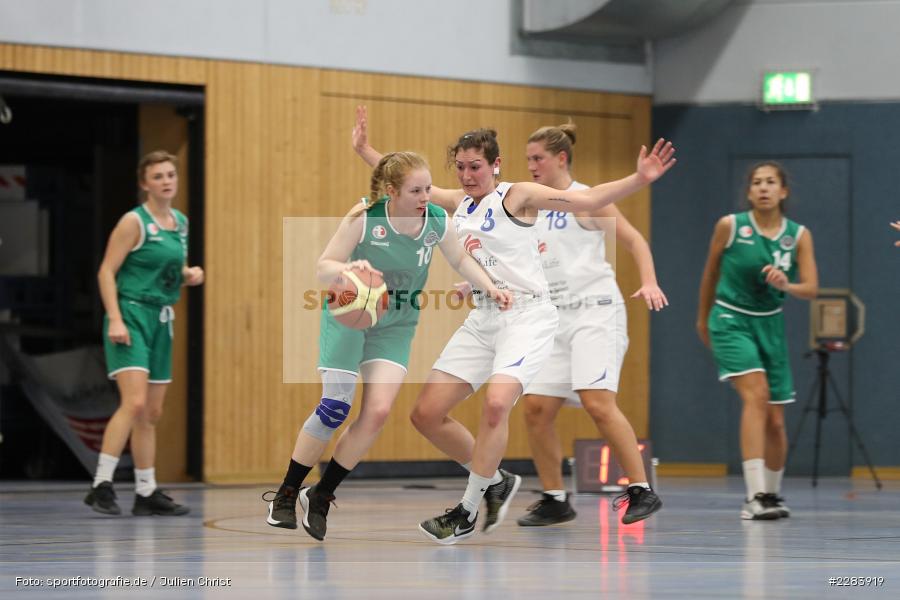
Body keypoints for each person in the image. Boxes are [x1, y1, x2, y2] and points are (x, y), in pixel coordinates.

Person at [353, 107, 676, 544]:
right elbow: (409, 182)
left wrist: (640, 178)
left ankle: (466, 511)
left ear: (495, 165)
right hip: (485, 316)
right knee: (425, 415)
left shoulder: (518, 195)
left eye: (476, 166)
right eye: (462, 167)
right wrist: (365, 150)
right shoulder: (458, 202)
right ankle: (498, 480)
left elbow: (588, 200)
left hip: (529, 316)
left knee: (497, 403)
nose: (467, 175)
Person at [263, 151, 512, 541]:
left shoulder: (436, 222)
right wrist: (350, 270)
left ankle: (322, 494)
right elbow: (324, 265)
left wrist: (491, 286)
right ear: (392, 191)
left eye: (429, 187)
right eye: (416, 190)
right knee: (335, 407)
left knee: (377, 413)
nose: (426, 196)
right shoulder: (364, 218)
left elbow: (461, 259)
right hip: (350, 314)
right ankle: (287, 492)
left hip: (395, 324)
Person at [514, 123, 667, 527]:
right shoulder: (531, 205)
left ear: (561, 159)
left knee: (597, 402)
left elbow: (635, 241)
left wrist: (649, 281)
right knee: (535, 408)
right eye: (528, 159)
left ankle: (641, 489)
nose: (531, 166)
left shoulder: (586, 200)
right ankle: (554, 498)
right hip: (554, 317)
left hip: (595, 312)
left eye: (538, 158)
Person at [85, 150, 204, 516]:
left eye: (171, 174)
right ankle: (101, 484)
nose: (166, 181)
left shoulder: (180, 223)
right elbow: (106, 271)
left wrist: (187, 275)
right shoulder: (133, 222)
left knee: (151, 413)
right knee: (133, 403)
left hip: (162, 318)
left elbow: (167, 267)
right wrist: (116, 318)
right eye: (158, 176)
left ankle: (146, 491)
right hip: (131, 314)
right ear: (144, 183)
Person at [697, 162, 818, 520]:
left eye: (771, 182)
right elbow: (710, 273)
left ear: (783, 191)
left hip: (770, 325)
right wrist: (702, 319)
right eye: (756, 182)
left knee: (776, 421)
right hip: (731, 318)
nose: (763, 188)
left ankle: (772, 493)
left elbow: (810, 289)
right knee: (756, 394)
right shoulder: (730, 226)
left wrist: (786, 285)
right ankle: (753, 497)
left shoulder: (797, 235)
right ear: (749, 192)